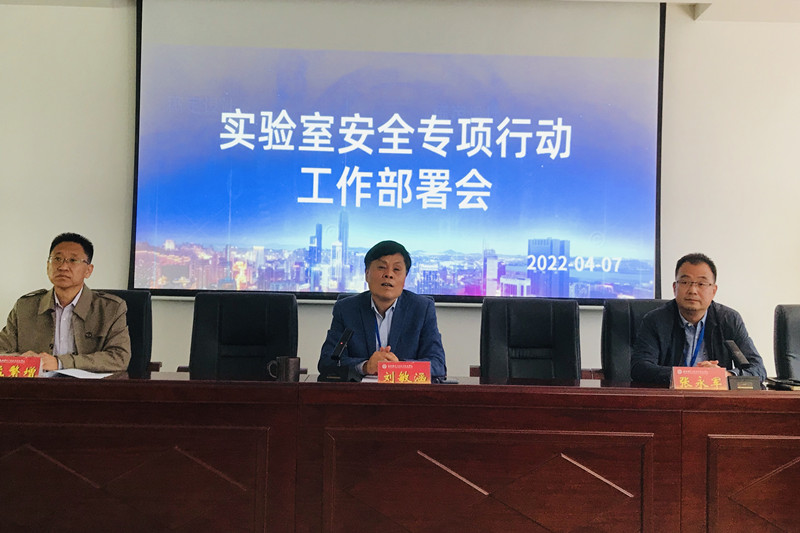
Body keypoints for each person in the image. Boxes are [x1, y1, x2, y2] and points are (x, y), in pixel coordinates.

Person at [0, 233, 131, 372]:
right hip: (37, 384)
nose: (63, 267)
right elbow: (2, 350)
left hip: (87, 385)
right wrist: (25, 360)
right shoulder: (25, 307)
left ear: (88, 270)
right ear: (47, 266)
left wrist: (61, 363)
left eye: (73, 260)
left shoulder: (110, 309)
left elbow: (119, 358)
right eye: (57, 259)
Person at [318, 240, 446, 379]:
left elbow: (438, 365)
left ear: (405, 278)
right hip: (359, 391)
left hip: (404, 390)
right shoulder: (346, 309)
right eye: (381, 267)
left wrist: (399, 367)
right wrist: (365, 366)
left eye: (396, 269)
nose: (388, 274)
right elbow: (327, 362)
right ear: (367, 274)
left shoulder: (422, 309)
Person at [631, 253, 766, 384]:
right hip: (671, 395)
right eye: (685, 282)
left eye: (701, 284)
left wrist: (725, 375)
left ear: (713, 291)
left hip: (714, 396)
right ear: (675, 287)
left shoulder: (729, 320)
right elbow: (640, 368)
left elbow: (758, 369)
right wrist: (690, 375)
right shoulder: (655, 320)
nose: (693, 290)